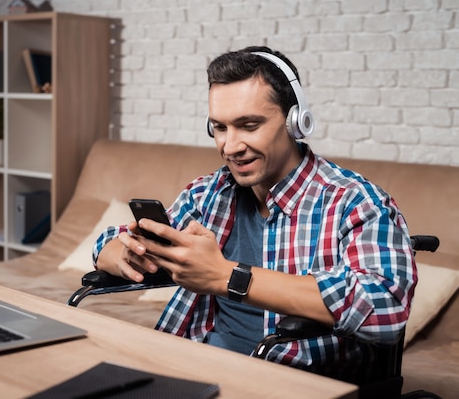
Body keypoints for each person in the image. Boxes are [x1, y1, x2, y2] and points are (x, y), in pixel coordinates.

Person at [92, 46, 417, 384]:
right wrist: (122, 252)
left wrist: (226, 276)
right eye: (219, 128)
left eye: (249, 125)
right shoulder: (208, 194)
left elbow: (386, 307)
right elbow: (110, 241)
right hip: (190, 368)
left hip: (289, 385)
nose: (230, 146)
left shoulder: (355, 202)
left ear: (296, 122)